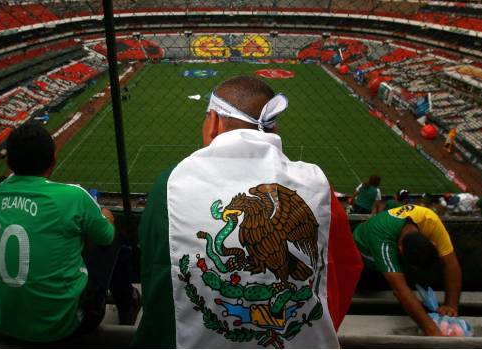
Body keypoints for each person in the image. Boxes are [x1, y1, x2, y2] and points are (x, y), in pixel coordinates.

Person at [133, 76, 363, 348]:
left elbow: (156, 277)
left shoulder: (171, 184)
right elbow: (344, 271)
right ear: (273, 128)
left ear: (215, 122)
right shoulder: (318, 186)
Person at [0, 124, 117, 343]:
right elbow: (106, 236)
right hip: (62, 327)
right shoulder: (73, 196)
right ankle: (127, 303)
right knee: (112, 237)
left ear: (9, 162)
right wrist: (107, 215)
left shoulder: (0, 194)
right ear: (53, 160)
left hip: (7, 322)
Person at [353, 204, 462, 336]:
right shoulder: (382, 239)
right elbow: (400, 290)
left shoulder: (430, 220)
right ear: (399, 249)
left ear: (432, 242)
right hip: (364, 262)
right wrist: (433, 331)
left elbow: (451, 263)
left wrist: (451, 306)